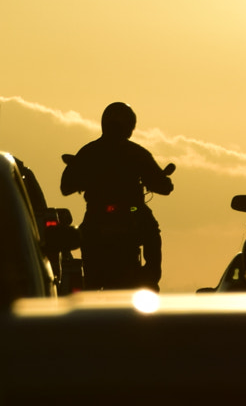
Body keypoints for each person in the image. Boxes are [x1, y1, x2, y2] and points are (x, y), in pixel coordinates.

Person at [61, 102, 174, 287]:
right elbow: (164, 187)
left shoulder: (89, 152)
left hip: (99, 212)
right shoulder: (137, 153)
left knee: (86, 237)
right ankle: (152, 278)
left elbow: (66, 187)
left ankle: (91, 283)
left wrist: (83, 179)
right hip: (132, 209)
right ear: (130, 127)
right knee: (152, 232)